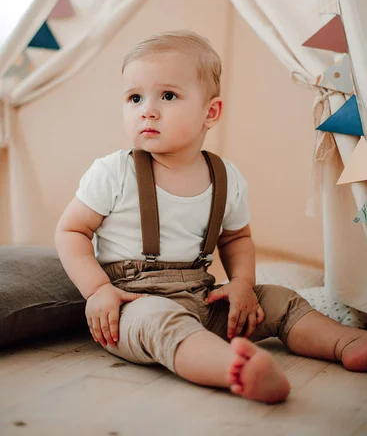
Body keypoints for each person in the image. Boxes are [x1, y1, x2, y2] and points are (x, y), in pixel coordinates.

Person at [55, 31, 367, 404]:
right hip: (135, 303)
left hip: (203, 296)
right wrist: (97, 290)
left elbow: (236, 238)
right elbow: (71, 230)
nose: (147, 109)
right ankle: (234, 369)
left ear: (211, 112)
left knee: (280, 300)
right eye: (134, 97)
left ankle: (347, 341)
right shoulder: (113, 172)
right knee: (163, 325)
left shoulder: (226, 176)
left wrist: (242, 284)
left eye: (167, 96)